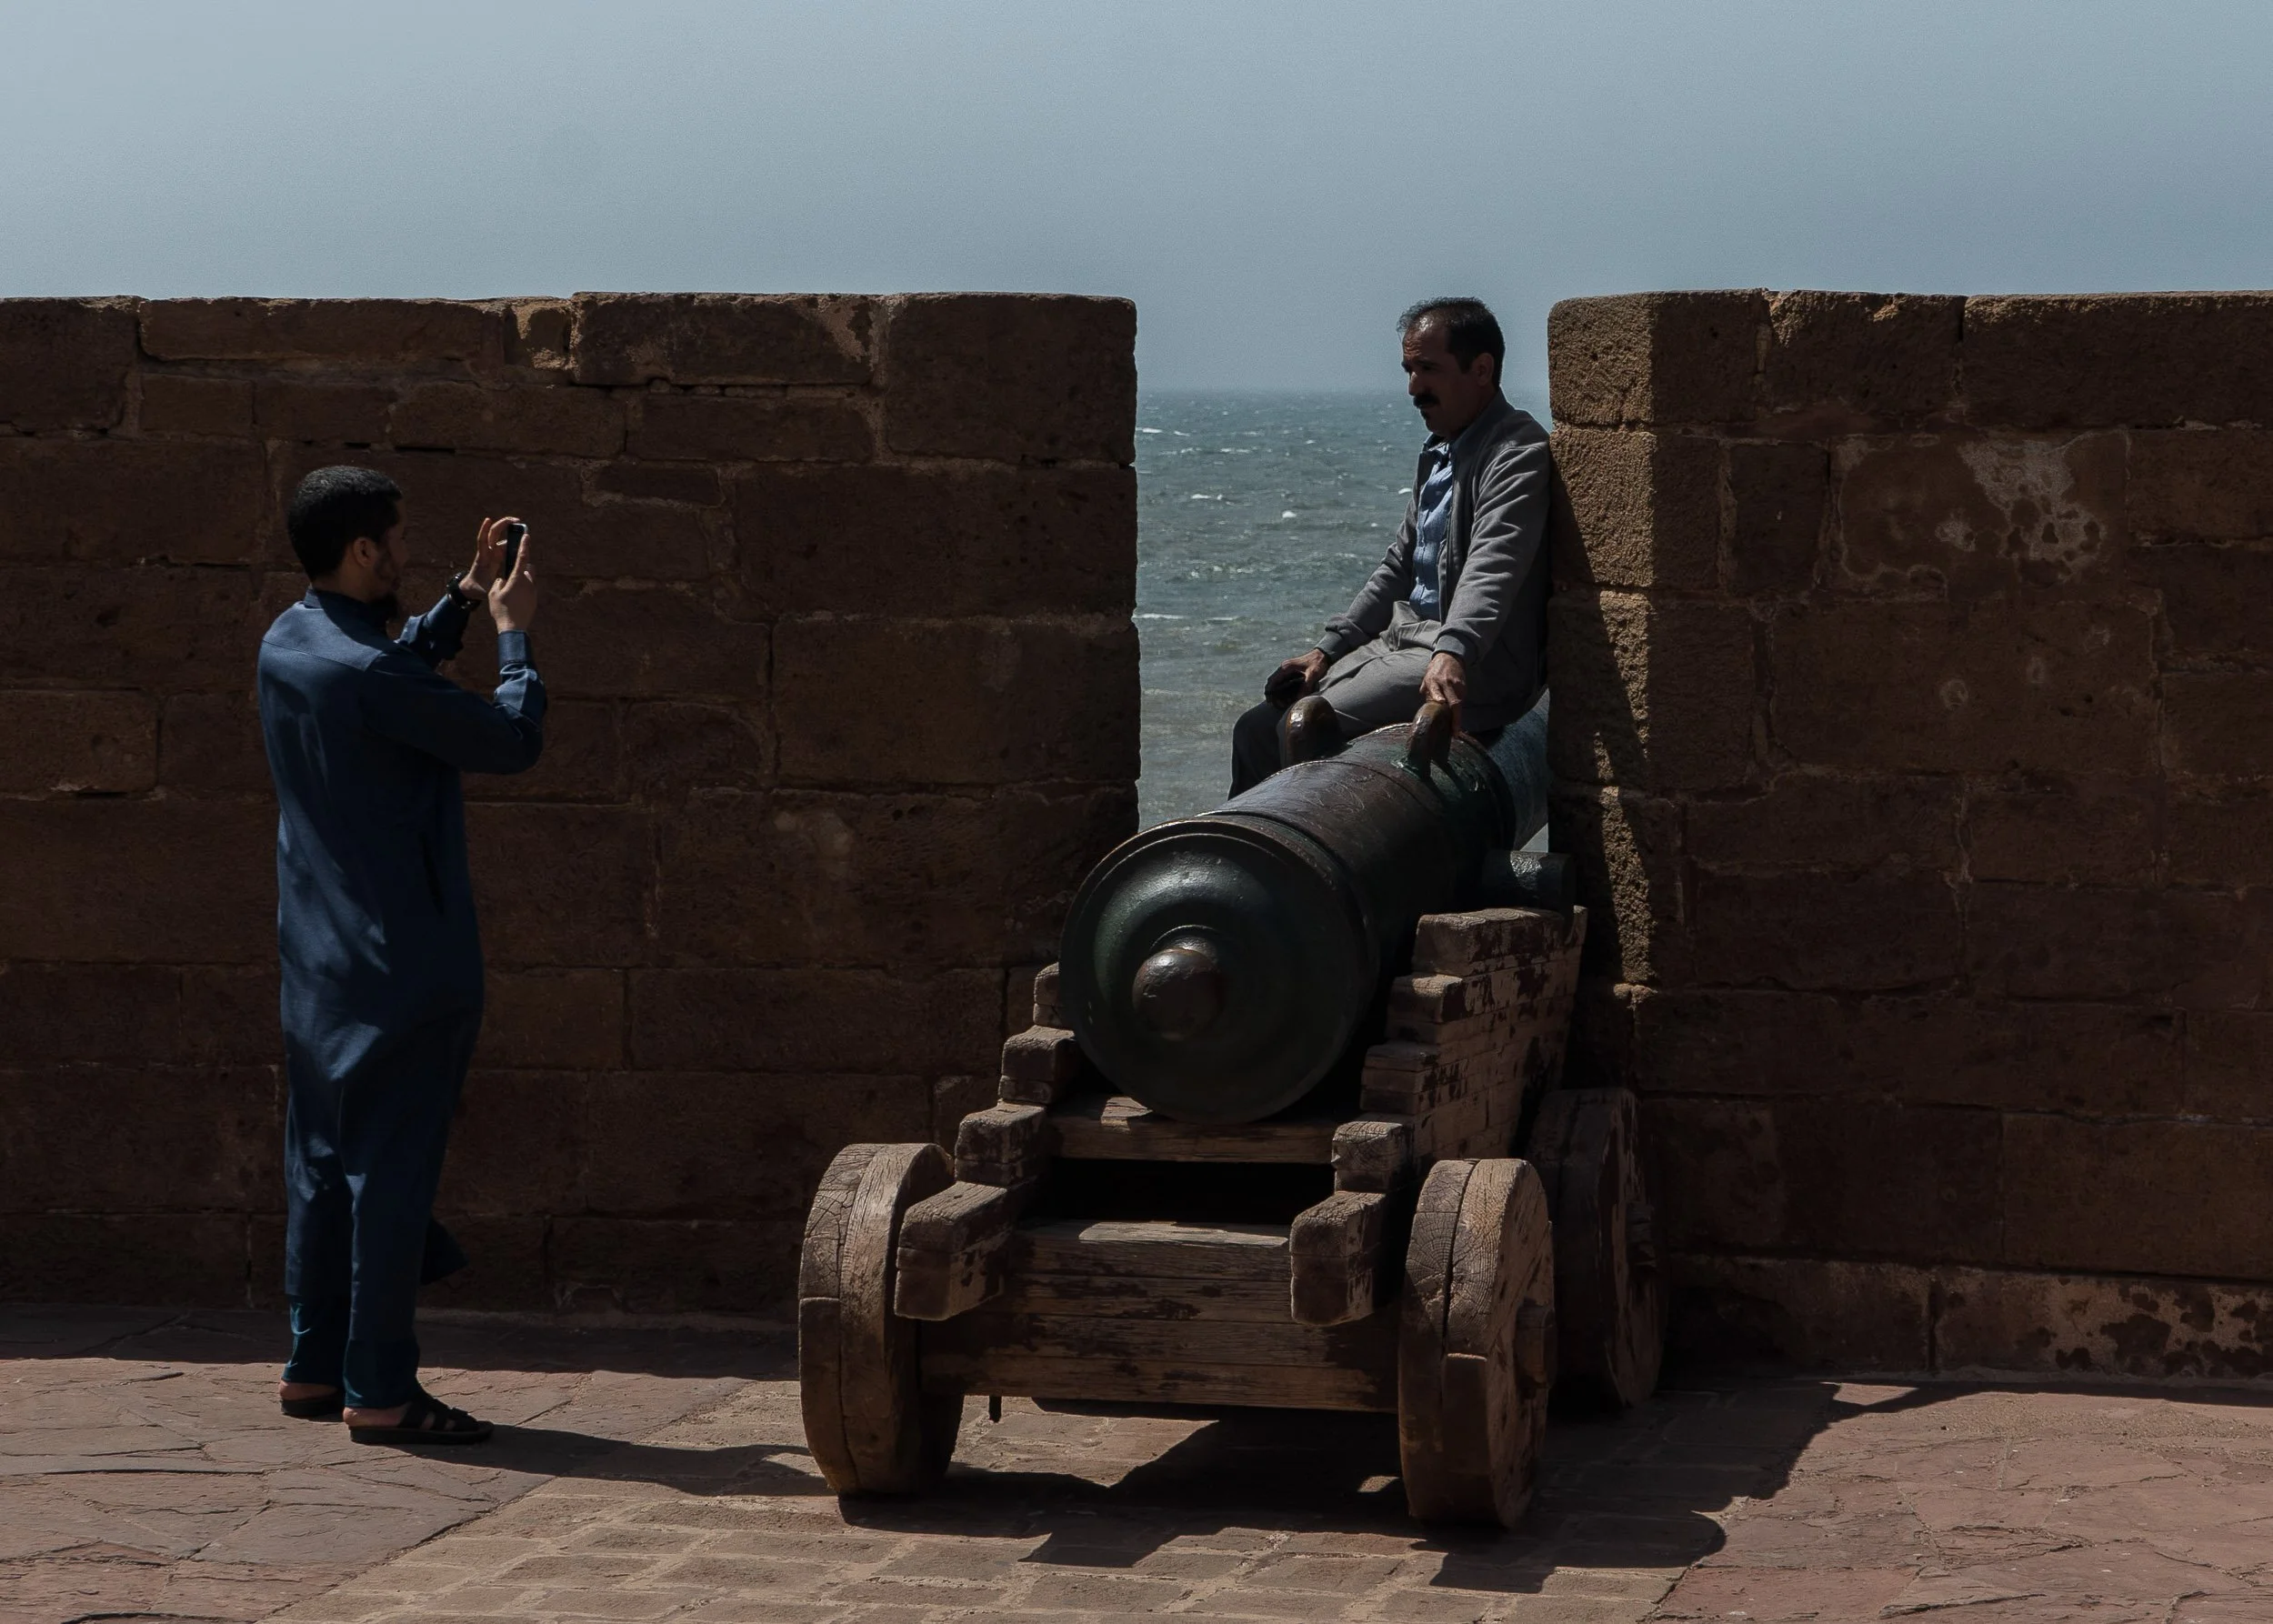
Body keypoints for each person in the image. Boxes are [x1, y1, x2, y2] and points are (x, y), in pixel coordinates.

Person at [260, 466, 546, 1446]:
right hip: (404, 970)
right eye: (397, 542)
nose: (407, 555)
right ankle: (380, 1389)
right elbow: (509, 739)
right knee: (388, 1179)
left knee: (322, 1167)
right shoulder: (369, 670)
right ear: (364, 552)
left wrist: (464, 597)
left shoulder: (287, 644)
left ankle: (312, 1368)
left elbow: (383, 685)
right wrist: (515, 634)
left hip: (318, 967)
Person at [1229, 297, 1552, 795]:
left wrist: (1454, 651)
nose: (1413, 388)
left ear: (1482, 369)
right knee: (1252, 728)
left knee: (1297, 726)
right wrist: (1326, 650)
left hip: (1471, 659)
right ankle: (1239, 859)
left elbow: (1495, 563)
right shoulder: (1442, 453)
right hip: (1404, 640)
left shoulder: (1515, 453)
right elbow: (1400, 565)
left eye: (1428, 369)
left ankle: (1307, 864)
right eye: (1408, 369)